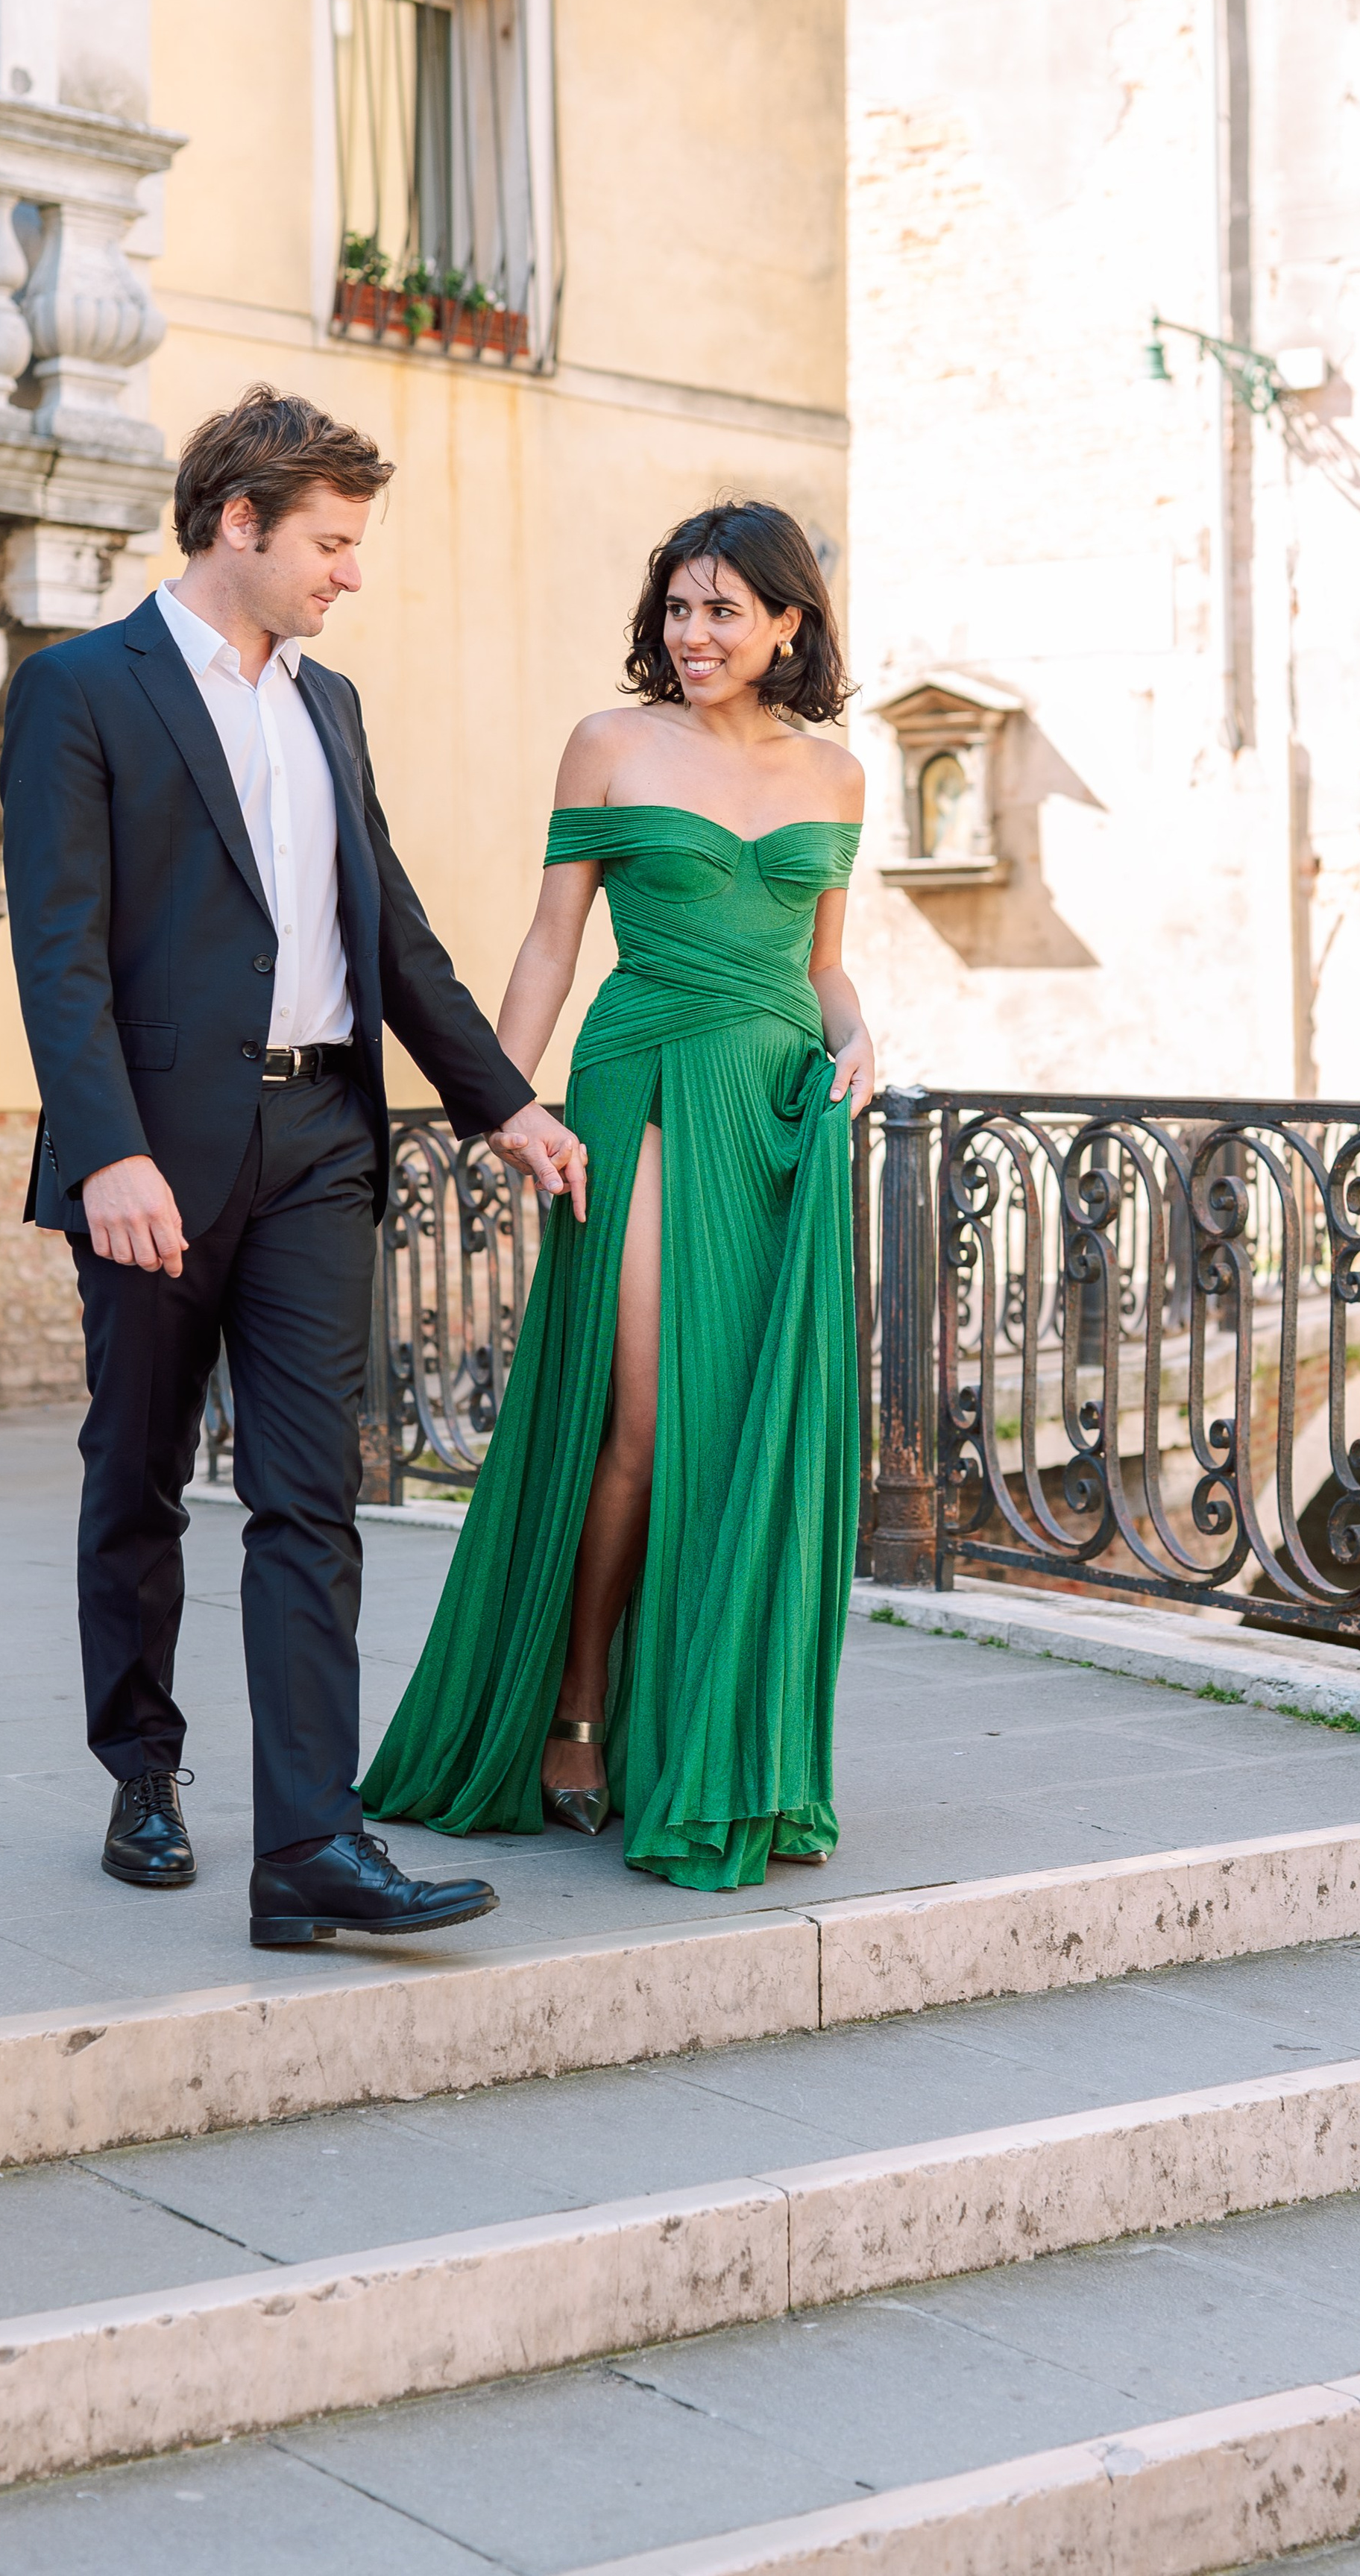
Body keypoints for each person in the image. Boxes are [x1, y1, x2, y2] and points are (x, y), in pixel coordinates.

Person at [0, 385, 584, 1947]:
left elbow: (388, 932)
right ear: (236, 523)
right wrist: (108, 1150)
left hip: (325, 1136)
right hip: (158, 1158)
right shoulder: (83, 691)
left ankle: (310, 1848)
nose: (350, 572)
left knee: (307, 1494)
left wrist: (502, 1103)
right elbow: (58, 956)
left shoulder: (329, 705)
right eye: (329, 542)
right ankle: (142, 1769)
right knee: (136, 1476)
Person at [364, 500, 873, 1892]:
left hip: (777, 1108)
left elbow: (821, 961)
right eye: (677, 607)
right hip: (641, 1084)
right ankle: (574, 1708)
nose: (693, 635)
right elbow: (549, 939)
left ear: (789, 623)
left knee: (753, 1427)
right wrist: (500, 1100)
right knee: (641, 1412)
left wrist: (862, 1036)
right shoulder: (610, 743)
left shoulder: (837, 776)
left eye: (723, 611)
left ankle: (717, 1737)